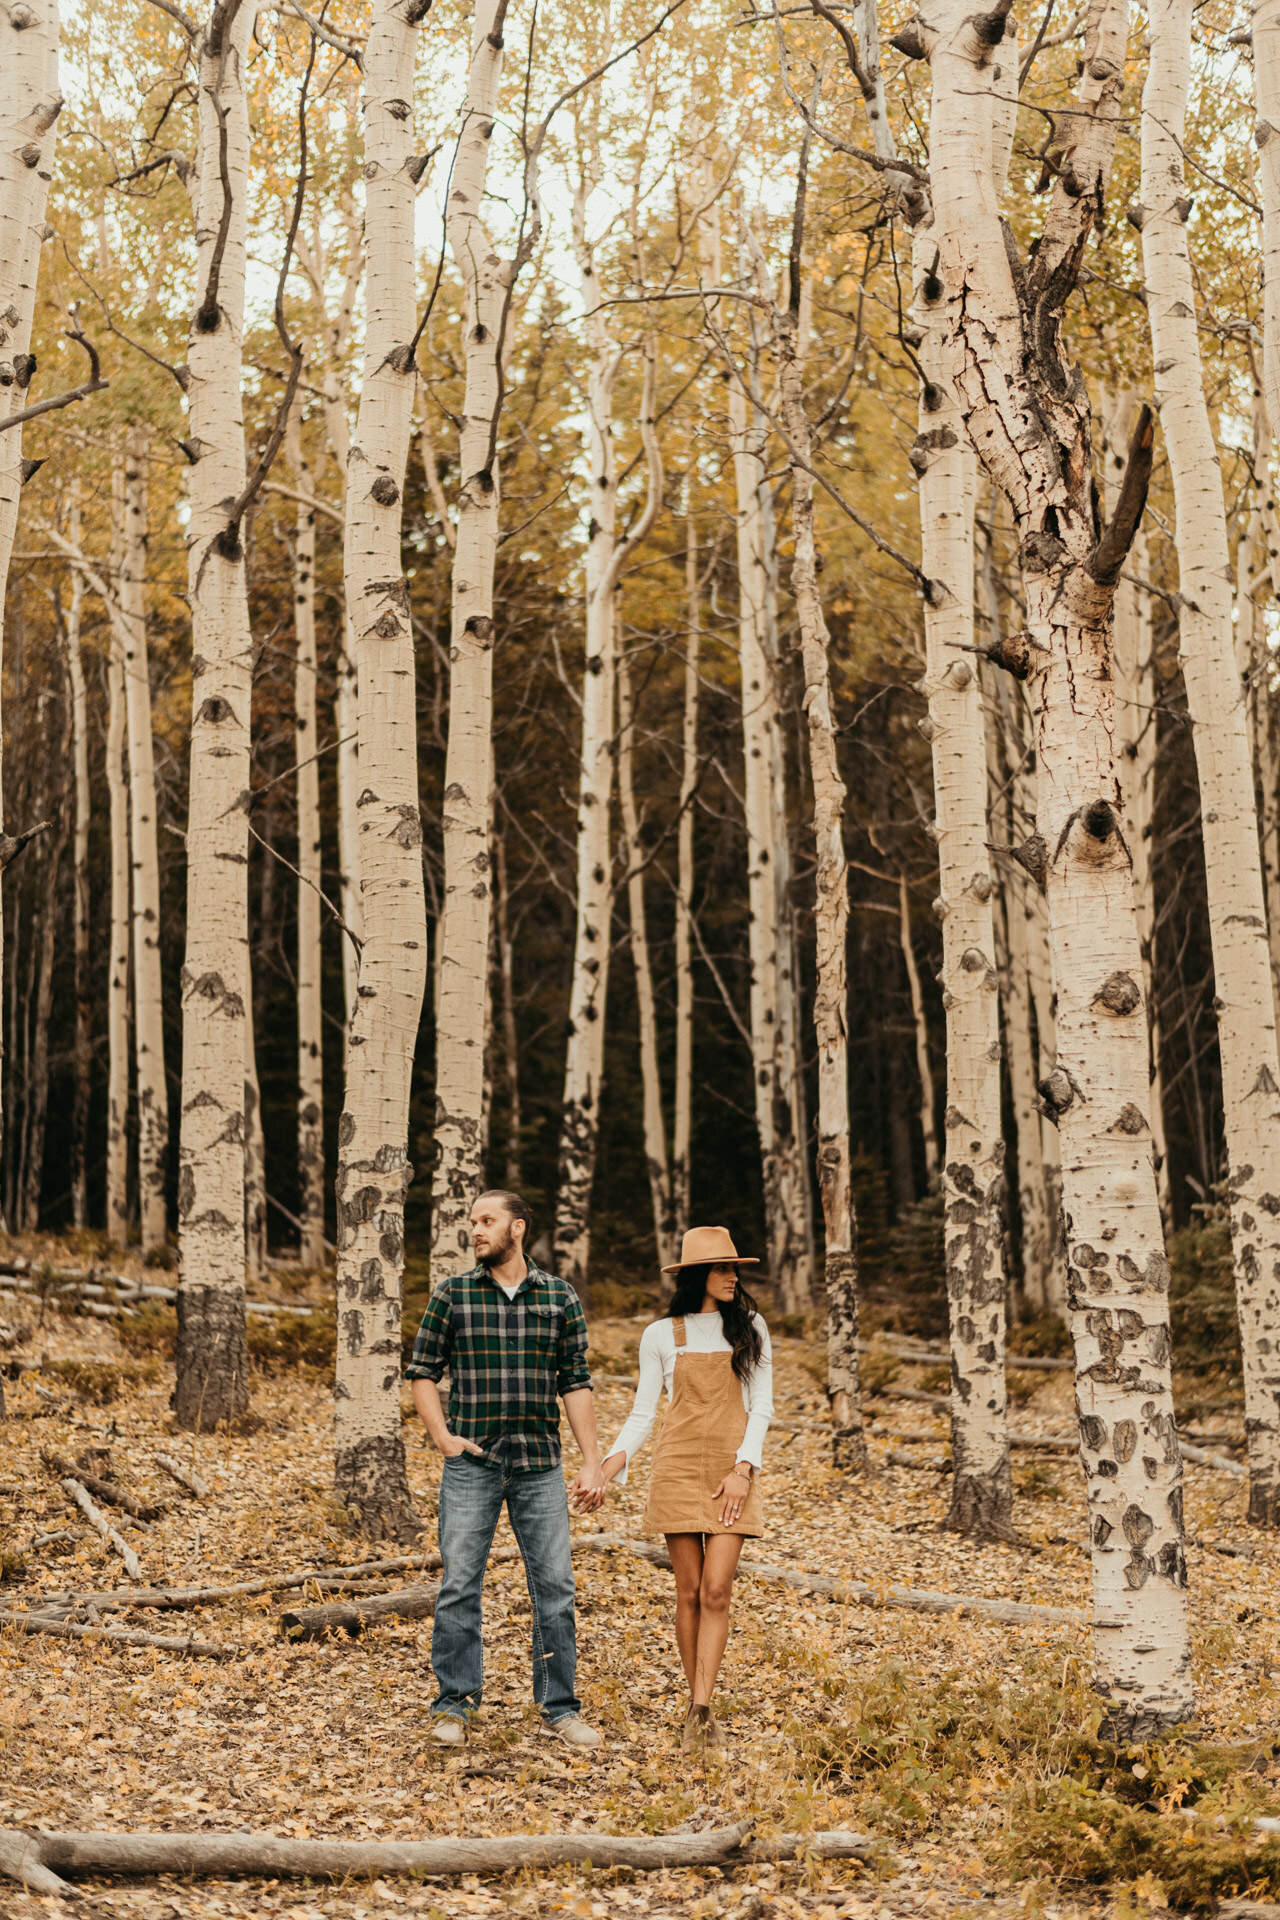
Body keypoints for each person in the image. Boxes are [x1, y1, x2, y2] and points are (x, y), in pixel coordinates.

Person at [406, 1189, 606, 1751]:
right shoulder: (454, 1294)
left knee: (555, 1588)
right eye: (472, 1222)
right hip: (473, 1465)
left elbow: (576, 1382)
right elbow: (422, 1369)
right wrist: (442, 1436)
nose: (475, 1230)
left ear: (517, 1228)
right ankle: (454, 1704)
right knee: (459, 1585)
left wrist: (592, 1460)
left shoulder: (559, 1298)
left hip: (540, 1465)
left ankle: (559, 1707)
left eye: (486, 1221)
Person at [598, 1225, 773, 1750]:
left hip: (730, 1472)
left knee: (718, 1590)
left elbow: (761, 1406)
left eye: (735, 1268)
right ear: (699, 1274)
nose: (733, 1277)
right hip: (675, 1468)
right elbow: (643, 1413)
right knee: (689, 1591)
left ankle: (703, 1704)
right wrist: (608, 1465)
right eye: (723, 1268)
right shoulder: (660, 1334)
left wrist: (744, 1469)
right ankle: (696, 1710)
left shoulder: (751, 1328)